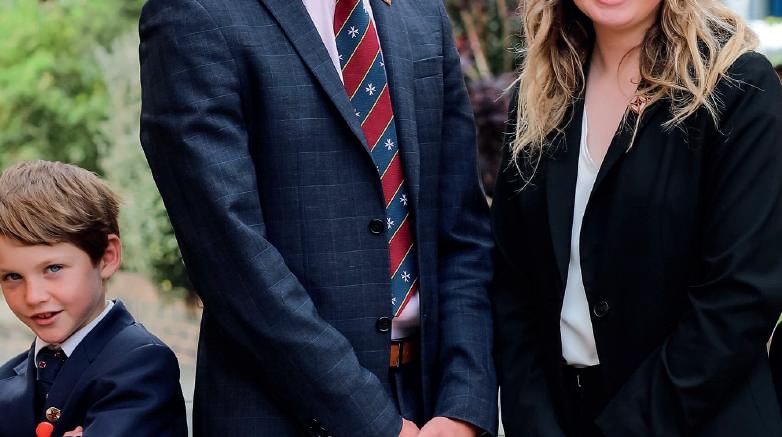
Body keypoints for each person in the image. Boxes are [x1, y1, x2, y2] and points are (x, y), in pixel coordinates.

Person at [138, 1, 497, 436]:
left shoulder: (421, 11)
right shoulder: (193, 12)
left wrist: (463, 407)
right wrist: (375, 424)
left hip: (431, 404)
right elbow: (232, 261)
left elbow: (462, 231)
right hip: (281, 414)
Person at [490, 0, 782, 434]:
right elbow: (513, 285)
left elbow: (740, 299)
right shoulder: (541, 93)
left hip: (700, 419)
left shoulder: (738, 87)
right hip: (561, 416)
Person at [0, 161, 188, 437]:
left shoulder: (141, 364)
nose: (33, 296)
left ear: (107, 257)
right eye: (13, 276)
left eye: (53, 268)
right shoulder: (7, 376)